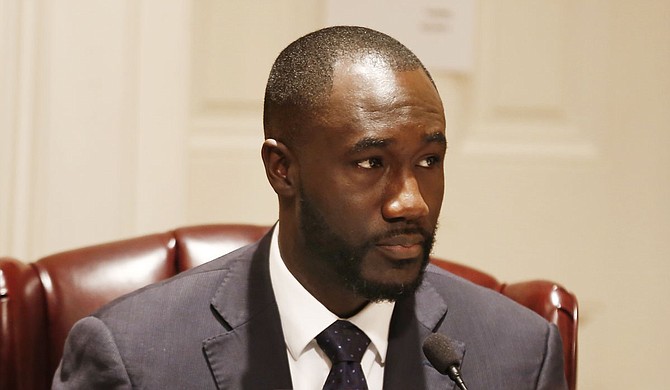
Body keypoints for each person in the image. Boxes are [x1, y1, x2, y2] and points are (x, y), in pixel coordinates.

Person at [53, 26, 567, 389]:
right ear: (283, 170)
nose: (411, 200)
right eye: (370, 162)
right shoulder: (134, 356)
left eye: (429, 160)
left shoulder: (519, 353)